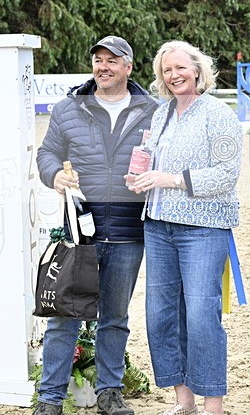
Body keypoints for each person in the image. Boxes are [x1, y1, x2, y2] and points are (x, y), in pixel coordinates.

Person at [35, 36, 158, 415]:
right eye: (98, 60)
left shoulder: (153, 110)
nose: (103, 66)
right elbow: (47, 153)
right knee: (63, 319)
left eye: (112, 60)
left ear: (128, 67)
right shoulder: (68, 108)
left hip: (128, 233)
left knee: (115, 319)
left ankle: (109, 393)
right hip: (79, 235)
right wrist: (54, 174)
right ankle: (50, 399)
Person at [128, 41, 242, 415]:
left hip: (202, 229)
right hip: (158, 226)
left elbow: (227, 175)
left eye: (180, 67)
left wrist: (172, 179)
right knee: (161, 315)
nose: (173, 75)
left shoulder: (218, 113)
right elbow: (150, 162)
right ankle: (183, 401)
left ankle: (213, 406)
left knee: (200, 316)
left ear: (197, 69)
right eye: (166, 71)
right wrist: (141, 178)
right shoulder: (161, 115)